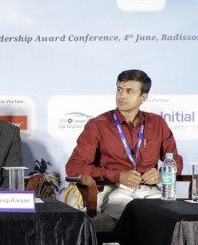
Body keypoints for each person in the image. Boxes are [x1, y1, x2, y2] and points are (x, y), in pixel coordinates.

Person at [65, 69, 182, 222]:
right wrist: (117, 176)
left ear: (143, 97)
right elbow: (73, 167)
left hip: (151, 191)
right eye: (119, 89)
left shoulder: (157, 123)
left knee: (170, 218)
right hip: (114, 190)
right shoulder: (97, 125)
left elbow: (175, 159)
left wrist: (161, 175)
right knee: (135, 217)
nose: (122, 96)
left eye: (129, 91)